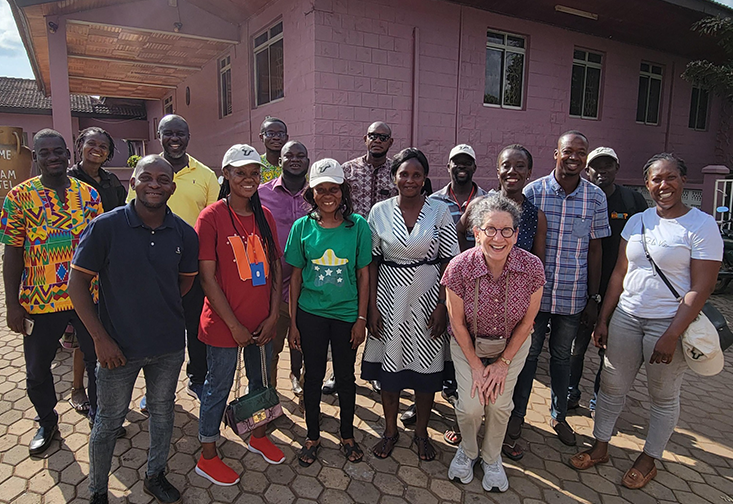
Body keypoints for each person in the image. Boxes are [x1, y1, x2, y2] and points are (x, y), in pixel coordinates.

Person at [570, 154, 722, 489]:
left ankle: (650, 456)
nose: (663, 186)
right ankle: (601, 444)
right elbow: (620, 274)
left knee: (663, 394)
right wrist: (604, 318)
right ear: (647, 183)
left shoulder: (701, 225)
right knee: (611, 386)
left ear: (682, 181)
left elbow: (703, 286)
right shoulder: (637, 220)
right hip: (627, 315)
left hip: (668, 322)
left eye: (670, 178)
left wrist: (673, 334)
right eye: (656, 179)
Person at [69, 155, 199, 504]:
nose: (154, 184)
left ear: (172, 187)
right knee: (108, 422)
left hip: (169, 346)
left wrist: (155, 301)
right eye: (147, 178)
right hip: (117, 348)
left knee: (162, 412)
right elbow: (77, 283)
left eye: (162, 179)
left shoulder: (184, 233)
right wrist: (100, 339)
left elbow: (184, 284)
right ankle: (97, 491)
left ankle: (154, 475)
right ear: (133, 183)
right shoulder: (106, 227)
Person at [0, 129, 103, 455]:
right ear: (36, 157)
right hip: (39, 300)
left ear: (68, 154)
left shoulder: (89, 196)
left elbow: (101, 247)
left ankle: (100, 417)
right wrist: (12, 304)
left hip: (87, 296)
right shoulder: (18, 197)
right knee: (36, 368)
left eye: (58, 151)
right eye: (45, 153)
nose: (53, 157)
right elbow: (12, 253)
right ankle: (47, 420)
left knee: (97, 361)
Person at [507, 131, 610, 447]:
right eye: (568, 151)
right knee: (528, 356)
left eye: (581, 152)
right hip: (535, 297)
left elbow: (595, 250)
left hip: (573, 295)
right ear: (556, 154)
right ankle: (517, 417)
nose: (574, 157)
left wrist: (593, 298)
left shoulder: (595, 197)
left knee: (563, 358)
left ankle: (559, 416)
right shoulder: (534, 192)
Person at [194, 144, 284, 486]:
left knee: (260, 384)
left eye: (254, 173)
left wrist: (274, 314)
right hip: (223, 326)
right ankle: (208, 454)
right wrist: (233, 325)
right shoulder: (212, 216)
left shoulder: (265, 215)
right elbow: (206, 276)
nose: (248, 179)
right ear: (226, 174)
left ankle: (258, 434)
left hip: (262, 323)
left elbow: (275, 265)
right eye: (240, 172)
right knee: (217, 387)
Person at [443, 194, 545, 493]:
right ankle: (468, 451)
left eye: (506, 231)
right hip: (468, 345)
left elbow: (528, 323)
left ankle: (491, 457)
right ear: (477, 232)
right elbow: (457, 324)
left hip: (511, 345)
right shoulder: (459, 267)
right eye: (490, 229)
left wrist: (502, 364)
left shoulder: (532, 267)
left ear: (516, 234)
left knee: (500, 404)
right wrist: (476, 366)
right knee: (471, 406)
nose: (498, 238)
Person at [363, 148, 459, 461]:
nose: (410, 180)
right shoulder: (379, 211)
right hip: (389, 299)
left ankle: (420, 433)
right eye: (404, 174)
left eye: (417, 175)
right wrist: (372, 307)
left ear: (425, 178)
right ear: (394, 177)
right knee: (390, 370)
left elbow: (450, 263)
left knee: (426, 370)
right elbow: (372, 261)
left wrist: (443, 305)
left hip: (429, 297)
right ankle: (390, 430)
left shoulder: (439, 211)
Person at [284, 159, 371, 466]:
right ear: (312, 193)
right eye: (321, 189)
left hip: (346, 315)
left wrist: (361, 319)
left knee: (346, 377)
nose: (328, 195)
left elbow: (364, 275)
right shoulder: (302, 227)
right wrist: (292, 323)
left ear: (342, 191)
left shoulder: (358, 226)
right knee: (313, 376)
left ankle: (347, 434)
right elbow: (294, 277)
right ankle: (313, 435)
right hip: (310, 314)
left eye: (333, 188)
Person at [131, 114, 219, 411]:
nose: (175, 139)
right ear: (159, 135)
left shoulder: (205, 175)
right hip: (152, 268)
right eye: (168, 133)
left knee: (196, 326)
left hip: (192, 268)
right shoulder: (147, 172)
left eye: (180, 133)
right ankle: (154, 390)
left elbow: (215, 223)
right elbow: (133, 214)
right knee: (155, 329)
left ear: (188, 136)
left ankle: (198, 378)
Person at [567, 147, 647, 414]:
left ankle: (598, 400)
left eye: (608, 166)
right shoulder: (584, 199)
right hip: (584, 287)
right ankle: (570, 394)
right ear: (587, 171)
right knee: (575, 349)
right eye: (596, 167)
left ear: (617, 168)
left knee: (608, 351)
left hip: (621, 291)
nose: (602, 172)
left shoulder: (633, 201)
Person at [66, 127, 127, 416]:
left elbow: (123, 217)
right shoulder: (67, 180)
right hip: (78, 261)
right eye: (92, 144)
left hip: (109, 262)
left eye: (104, 146)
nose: (97, 149)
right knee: (85, 330)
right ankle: (78, 388)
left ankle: (106, 392)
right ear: (80, 146)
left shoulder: (112, 181)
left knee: (104, 325)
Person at [258, 141, 310, 395]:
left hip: (311, 291)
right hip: (273, 291)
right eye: (289, 155)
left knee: (307, 348)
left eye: (301, 155)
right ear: (279, 161)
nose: (295, 159)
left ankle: (303, 392)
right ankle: (268, 400)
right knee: (270, 349)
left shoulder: (319, 195)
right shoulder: (260, 194)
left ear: (308, 162)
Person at [342, 121, 397, 218]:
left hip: (385, 231)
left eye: (383, 138)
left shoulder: (396, 171)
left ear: (390, 142)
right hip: (352, 229)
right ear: (365, 139)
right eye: (373, 136)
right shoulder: (348, 170)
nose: (377, 141)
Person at [258, 117, 288, 183]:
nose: (276, 137)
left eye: (280, 134)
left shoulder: (293, 165)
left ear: (286, 138)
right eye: (270, 134)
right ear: (261, 137)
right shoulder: (256, 164)